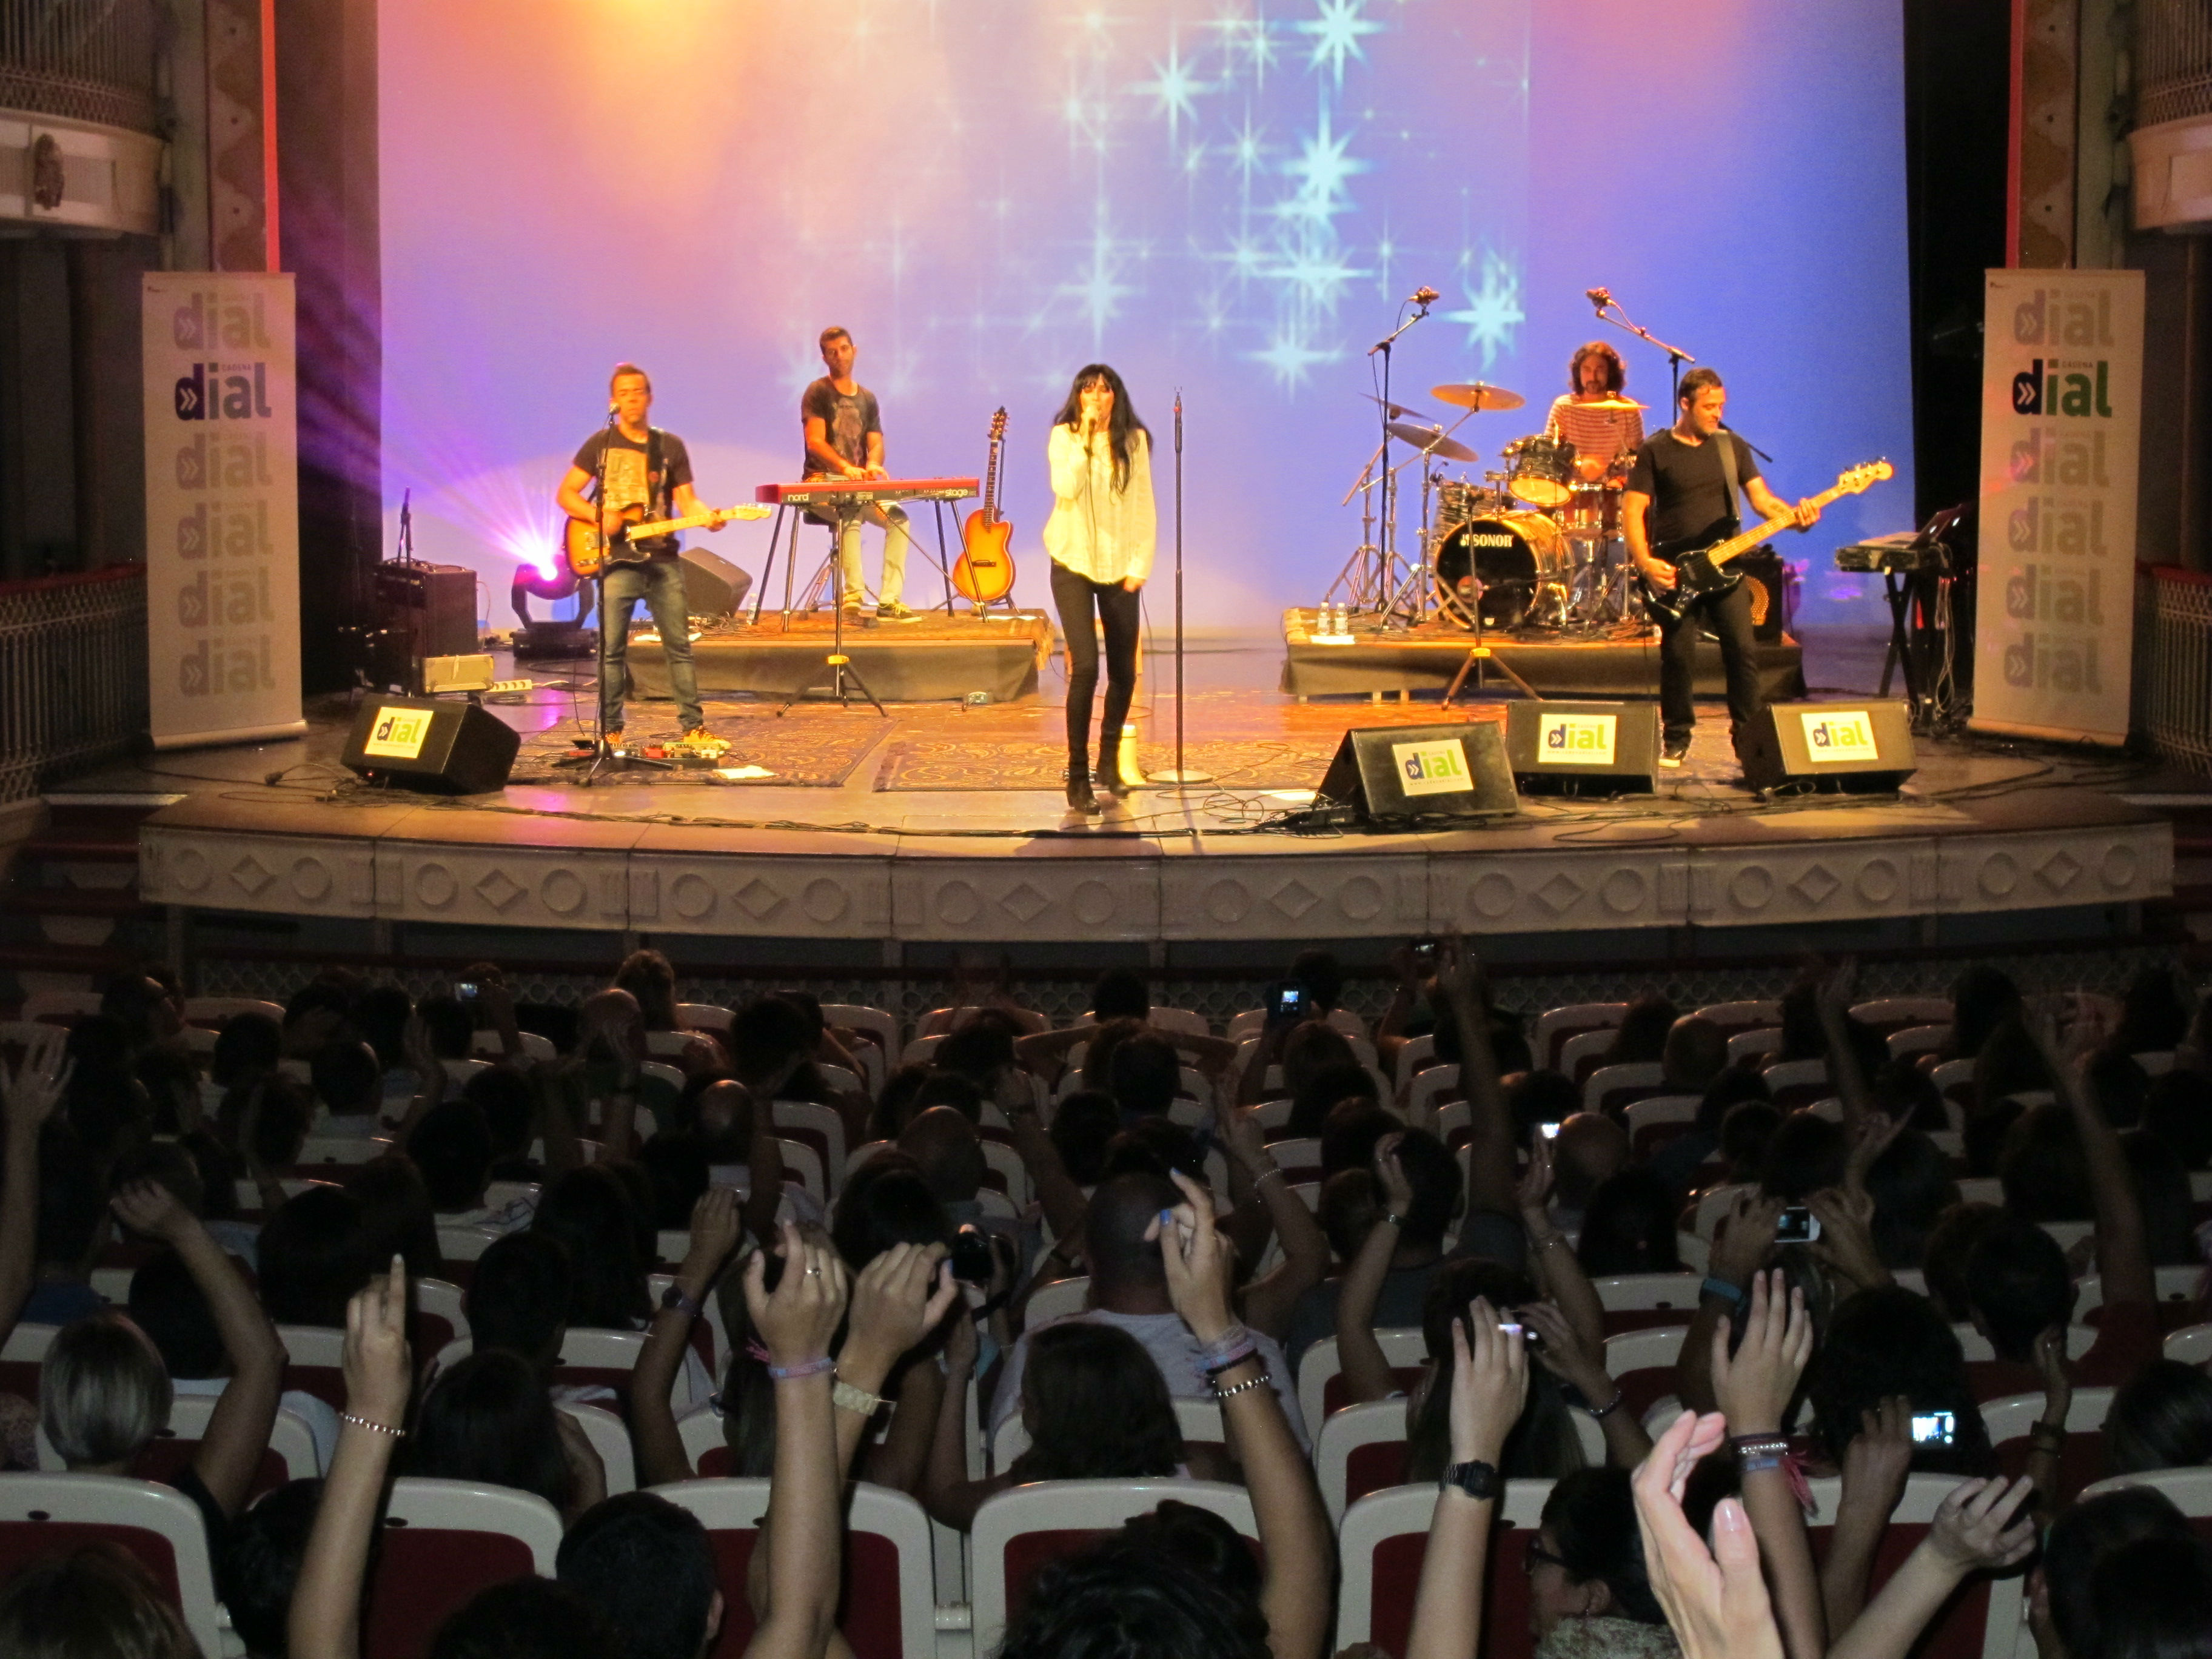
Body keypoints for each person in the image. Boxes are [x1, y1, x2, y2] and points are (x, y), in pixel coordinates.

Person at [1623, 367, 1821, 770]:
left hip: (1727, 567)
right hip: (1676, 571)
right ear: (1685, 404)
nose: (1717, 413)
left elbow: (1763, 502)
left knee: (1743, 653)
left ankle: (1748, 741)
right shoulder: (1656, 449)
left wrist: (1796, 519)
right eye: (1709, 406)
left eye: (1721, 406)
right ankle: (1676, 739)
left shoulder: (1732, 447)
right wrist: (1644, 562)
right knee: (1678, 657)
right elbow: (1632, 509)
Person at [555, 362, 722, 747]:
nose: (631, 399)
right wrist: (599, 516)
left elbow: (688, 501)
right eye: (624, 393)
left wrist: (709, 518)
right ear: (613, 401)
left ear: (649, 398)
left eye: (638, 392)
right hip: (616, 561)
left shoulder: (670, 446)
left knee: (678, 647)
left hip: (662, 559)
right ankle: (611, 730)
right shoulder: (600, 444)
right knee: (611, 650)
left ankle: (693, 728)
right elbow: (566, 494)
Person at [1044, 363, 1155, 813]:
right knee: (1086, 667)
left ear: (1116, 397)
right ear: (1078, 396)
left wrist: (1140, 564)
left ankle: (1109, 764)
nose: (1095, 396)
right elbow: (1065, 487)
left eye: (1104, 390)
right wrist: (1086, 438)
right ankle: (1077, 776)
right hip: (1071, 561)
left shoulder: (1135, 441)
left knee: (1124, 671)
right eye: (1087, 389)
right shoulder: (1064, 436)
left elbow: (1144, 505)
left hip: (1119, 564)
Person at [801, 325, 915, 620]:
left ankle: (889, 601)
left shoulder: (868, 398)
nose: (839, 356)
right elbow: (815, 442)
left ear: (854, 351)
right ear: (825, 358)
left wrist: (873, 464)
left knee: (899, 518)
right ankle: (853, 597)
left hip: (859, 486)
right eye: (832, 352)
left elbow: (875, 443)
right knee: (849, 510)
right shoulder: (818, 391)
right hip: (823, 483)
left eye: (844, 349)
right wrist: (844, 467)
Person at [1545, 341, 1646, 478]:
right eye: (1587, 370)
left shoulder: (1628, 411)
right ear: (1578, 373)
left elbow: (1636, 463)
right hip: (1570, 488)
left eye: (1600, 370)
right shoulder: (1564, 406)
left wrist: (1619, 480)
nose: (1593, 377)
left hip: (1614, 488)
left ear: (1610, 373)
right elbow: (1549, 456)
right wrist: (1580, 466)